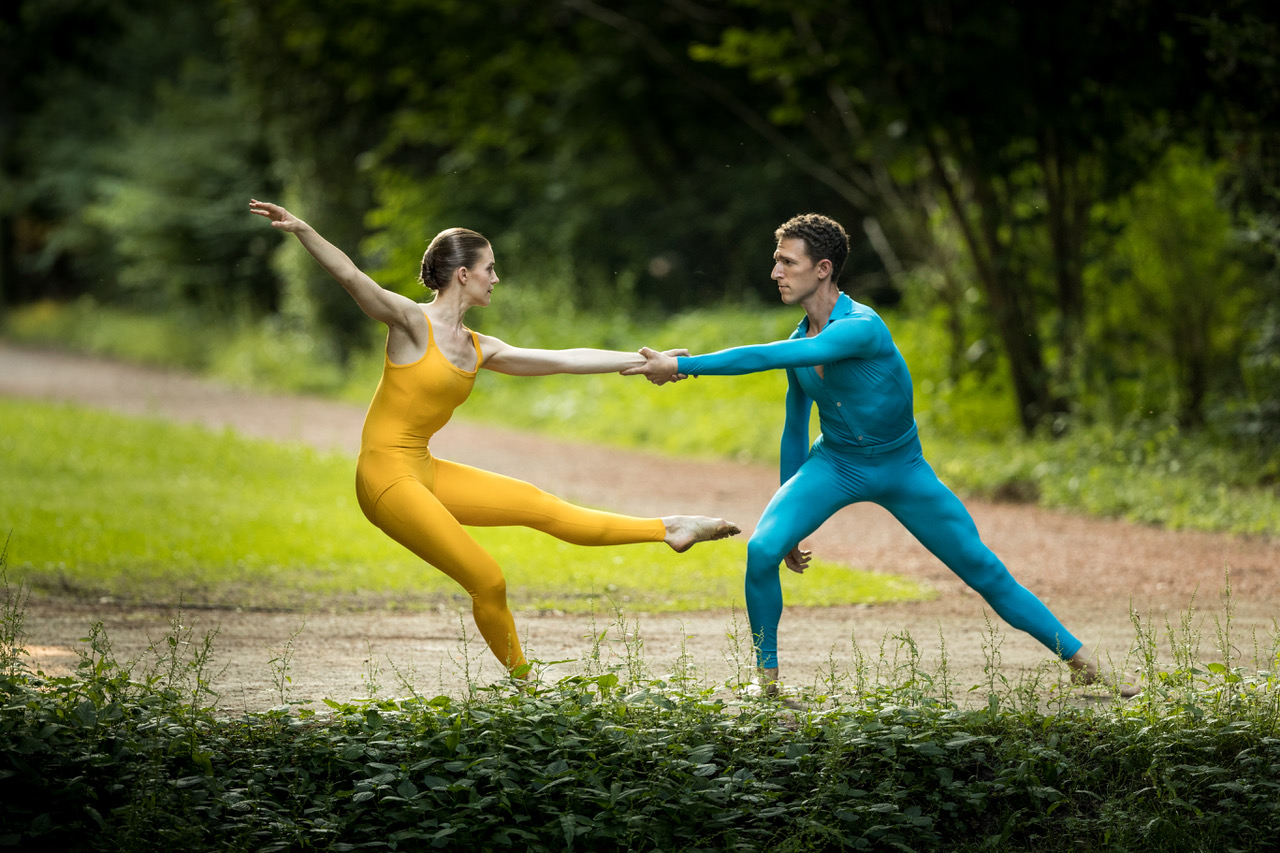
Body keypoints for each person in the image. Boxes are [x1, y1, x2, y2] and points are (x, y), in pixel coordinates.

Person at [625, 212, 1136, 698]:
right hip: (836, 463)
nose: (775, 272)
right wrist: (792, 523)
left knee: (983, 569)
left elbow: (768, 357)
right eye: (776, 260)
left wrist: (685, 365)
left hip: (900, 468)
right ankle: (767, 678)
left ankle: (1084, 663)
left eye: (788, 262)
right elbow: (793, 429)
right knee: (762, 551)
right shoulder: (799, 337)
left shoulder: (862, 327)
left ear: (823, 269)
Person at [248, 199, 738, 677]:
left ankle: (670, 528)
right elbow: (352, 277)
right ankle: (526, 695)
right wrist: (302, 229)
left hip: (422, 469)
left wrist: (645, 360)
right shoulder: (411, 323)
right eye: (490, 269)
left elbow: (564, 358)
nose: (496, 279)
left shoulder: (480, 346)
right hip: (383, 477)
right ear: (464, 274)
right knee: (488, 579)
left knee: (539, 505)